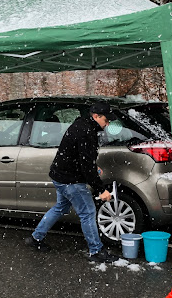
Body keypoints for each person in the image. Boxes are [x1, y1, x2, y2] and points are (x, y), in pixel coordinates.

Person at [25, 101, 119, 263]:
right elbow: (86, 165)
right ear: (96, 116)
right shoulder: (86, 132)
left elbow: (80, 155)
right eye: (106, 120)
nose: (108, 124)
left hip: (60, 175)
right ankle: (96, 251)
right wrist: (100, 190)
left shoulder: (82, 124)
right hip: (70, 180)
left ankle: (35, 238)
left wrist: (93, 166)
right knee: (88, 213)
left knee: (60, 207)